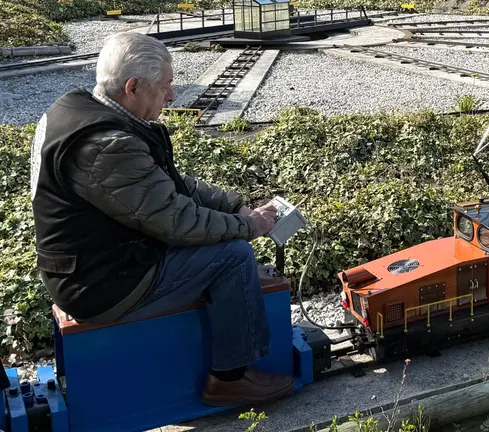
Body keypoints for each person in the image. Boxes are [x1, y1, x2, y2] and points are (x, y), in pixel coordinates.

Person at [29, 31, 294, 407]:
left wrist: (234, 206)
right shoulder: (109, 147)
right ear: (133, 87)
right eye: (166, 86)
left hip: (91, 265)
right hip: (100, 284)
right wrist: (250, 227)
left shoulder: (81, 112)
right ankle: (230, 378)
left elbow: (168, 184)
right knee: (233, 257)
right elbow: (177, 222)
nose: (171, 96)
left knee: (224, 245)